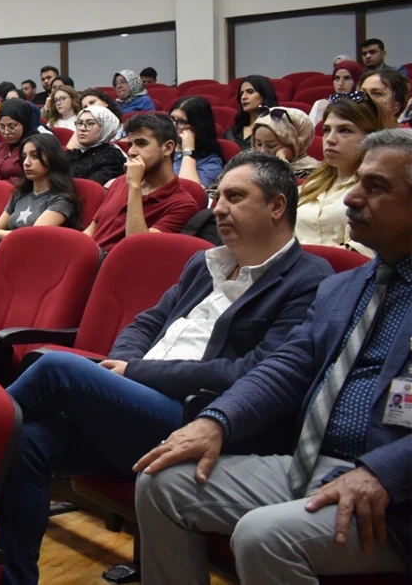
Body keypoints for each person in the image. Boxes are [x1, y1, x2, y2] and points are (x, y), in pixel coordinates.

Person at [0, 151, 333, 585]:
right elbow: (147, 321)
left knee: (55, 367)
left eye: (234, 197)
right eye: (217, 196)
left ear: (276, 206)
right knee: (28, 441)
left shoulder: (310, 279)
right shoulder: (205, 263)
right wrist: (127, 366)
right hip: (137, 402)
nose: (218, 209)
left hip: (201, 419)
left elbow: (253, 371)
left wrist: (133, 375)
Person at [132, 130, 412, 585]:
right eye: (357, 182)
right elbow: (285, 369)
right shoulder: (346, 286)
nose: (353, 198)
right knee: (162, 484)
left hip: (395, 491)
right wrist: (216, 421)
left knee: (262, 535)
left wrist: (383, 472)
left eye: (376, 187)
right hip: (314, 461)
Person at [86, 113, 202, 253]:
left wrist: (134, 187)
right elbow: (91, 231)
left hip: (121, 269)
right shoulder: (120, 182)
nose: (131, 152)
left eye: (141, 144)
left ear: (168, 148)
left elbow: (140, 249)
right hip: (91, 260)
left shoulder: (183, 205)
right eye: (130, 144)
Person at [295, 93, 384, 255]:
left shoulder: (379, 190)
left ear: (371, 138)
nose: (330, 139)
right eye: (327, 130)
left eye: (344, 130)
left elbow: (362, 250)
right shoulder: (311, 184)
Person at [0, 133, 79, 239]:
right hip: (8, 249)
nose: (26, 163)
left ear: (52, 159)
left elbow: (32, 237)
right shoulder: (20, 192)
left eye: (34, 156)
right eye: (24, 157)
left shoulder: (62, 200)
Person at [252, 106, 320, 183]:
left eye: (271, 145)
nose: (262, 151)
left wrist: (281, 161)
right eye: (259, 144)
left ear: (294, 144)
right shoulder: (250, 163)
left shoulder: (315, 173)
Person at [171, 96, 227, 190]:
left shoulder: (211, 162)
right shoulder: (163, 148)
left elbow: (189, 192)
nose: (173, 125)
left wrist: (188, 151)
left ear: (198, 127)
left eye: (181, 122)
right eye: (172, 119)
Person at [0, 98, 37, 185]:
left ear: (25, 123)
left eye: (12, 127)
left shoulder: (35, 147)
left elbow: (34, 182)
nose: (6, 132)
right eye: (1, 127)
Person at [67, 106, 127, 184]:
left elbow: (90, 189)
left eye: (90, 123)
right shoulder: (71, 154)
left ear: (104, 127)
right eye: (80, 123)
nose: (82, 128)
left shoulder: (111, 157)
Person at [224, 75, 279, 148]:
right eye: (241, 94)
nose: (243, 97)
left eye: (250, 92)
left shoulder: (276, 129)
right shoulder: (232, 132)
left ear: (264, 95)